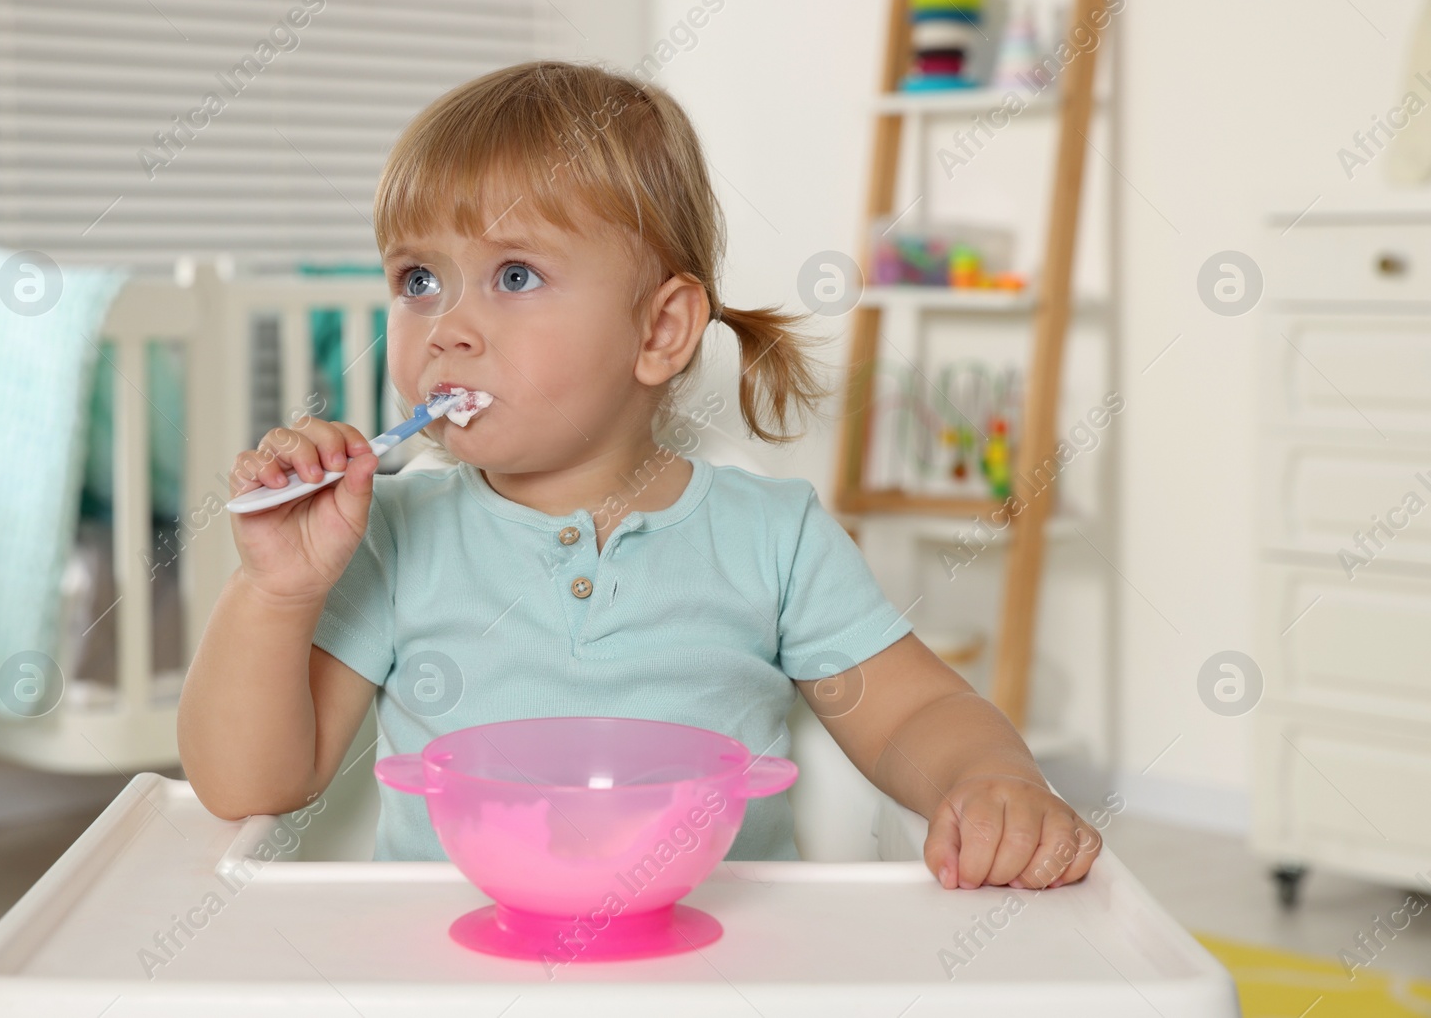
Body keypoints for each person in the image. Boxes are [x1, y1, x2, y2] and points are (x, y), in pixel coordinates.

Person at [177, 60, 1100, 891]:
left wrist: (994, 782)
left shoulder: (773, 536)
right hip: (459, 974)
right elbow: (249, 784)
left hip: (722, 971)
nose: (447, 327)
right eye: (419, 279)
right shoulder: (389, 535)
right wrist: (275, 592)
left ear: (659, 330)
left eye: (514, 275)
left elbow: (915, 713)